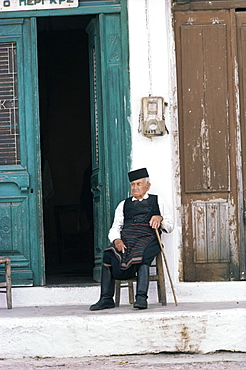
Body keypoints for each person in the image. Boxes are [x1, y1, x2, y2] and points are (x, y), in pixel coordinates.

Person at [90, 168, 174, 311]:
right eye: (133, 184)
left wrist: (160, 218)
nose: (135, 188)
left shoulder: (157, 200)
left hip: (149, 238)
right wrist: (117, 240)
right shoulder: (123, 204)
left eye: (139, 184)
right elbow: (115, 227)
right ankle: (106, 299)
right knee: (108, 254)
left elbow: (170, 225)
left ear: (147, 186)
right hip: (127, 239)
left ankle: (141, 298)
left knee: (141, 254)